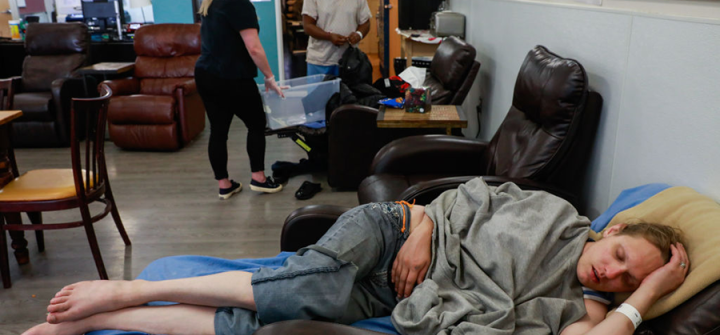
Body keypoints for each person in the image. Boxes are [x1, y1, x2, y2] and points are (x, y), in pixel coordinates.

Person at [22, 179, 689, 335]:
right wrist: (424, 228)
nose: (613, 271)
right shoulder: (552, 211)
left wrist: (642, 298)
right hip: (394, 233)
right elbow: (458, 197)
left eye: (629, 277)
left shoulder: (589, 310)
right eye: (622, 255)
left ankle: (88, 321)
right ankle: (127, 294)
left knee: (293, 313)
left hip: (401, 301)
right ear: (613, 227)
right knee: (325, 272)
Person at [195, 0, 285, 200]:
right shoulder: (239, 4)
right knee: (256, 124)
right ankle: (259, 178)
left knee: (218, 130)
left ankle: (224, 185)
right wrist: (270, 77)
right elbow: (254, 48)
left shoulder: (210, 3)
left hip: (206, 74)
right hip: (232, 76)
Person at [302, 0, 372, 76]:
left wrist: (359, 34)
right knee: (320, 88)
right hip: (320, 61)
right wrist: (329, 36)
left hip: (349, 62)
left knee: (350, 87)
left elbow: (365, 22)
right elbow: (308, 26)